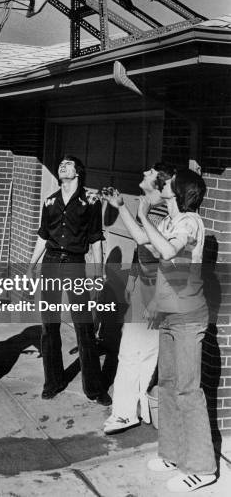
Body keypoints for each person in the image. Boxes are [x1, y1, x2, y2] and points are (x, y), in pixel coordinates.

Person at [139, 169, 216, 493]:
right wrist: (130, 211)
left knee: (188, 391)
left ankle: (203, 468)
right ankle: (172, 453)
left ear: (179, 189)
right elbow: (149, 244)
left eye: (169, 182)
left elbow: (168, 252)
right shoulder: (171, 222)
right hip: (170, 314)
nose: (163, 183)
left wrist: (143, 213)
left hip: (188, 318)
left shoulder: (190, 223)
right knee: (168, 386)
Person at [28, 155, 110, 404]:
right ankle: (53, 382)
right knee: (49, 324)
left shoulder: (91, 201)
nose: (62, 165)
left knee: (83, 325)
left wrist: (99, 270)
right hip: (51, 261)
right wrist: (32, 264)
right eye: (60, 163)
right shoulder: (49, 200)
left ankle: (95, 388)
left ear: (78, 172)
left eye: (68, 164)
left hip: (75, 262)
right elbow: (43, 235)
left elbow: (95, 238)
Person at [101, 163, 174, 435]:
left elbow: (154, 249)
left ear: (160, 182)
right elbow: (140, 250)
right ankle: (139, 407)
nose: (144, 172)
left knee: (132, 353)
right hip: (146, 288)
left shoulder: (163, 213)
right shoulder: (151, 208)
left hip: (157, 290)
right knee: (144, 353)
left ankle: (123, 414)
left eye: (151, 172)